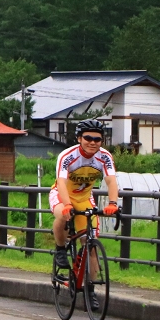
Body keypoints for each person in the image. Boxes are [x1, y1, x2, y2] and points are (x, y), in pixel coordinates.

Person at [52, 119, 120, 279]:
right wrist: (67, 204)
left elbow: (111, 180)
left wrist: (113, 203)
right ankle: (60, 249)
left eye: (97, 139)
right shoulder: (67, 156)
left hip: (84, 198)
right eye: (88, 138)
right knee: (63, 214)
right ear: (79, 138)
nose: (93, 142)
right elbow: (61, 181)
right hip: (63, 195)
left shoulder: (105, 157)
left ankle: (91, 289)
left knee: (90, 245)